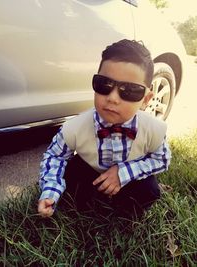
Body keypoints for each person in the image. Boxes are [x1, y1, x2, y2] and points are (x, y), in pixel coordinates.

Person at [38, 39, 171, 218]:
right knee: (73, 176)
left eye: (130, 90)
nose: (113, 98)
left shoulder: (152, 129)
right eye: (104, 85)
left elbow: (162, 159)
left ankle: (126, 214)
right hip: (91, 173)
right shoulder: (75, 128)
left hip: (130, 180)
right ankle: (82, 204)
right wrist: (50, 190)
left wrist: (125, 172)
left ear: (146, 99)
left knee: (149, 190)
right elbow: (55, 156)